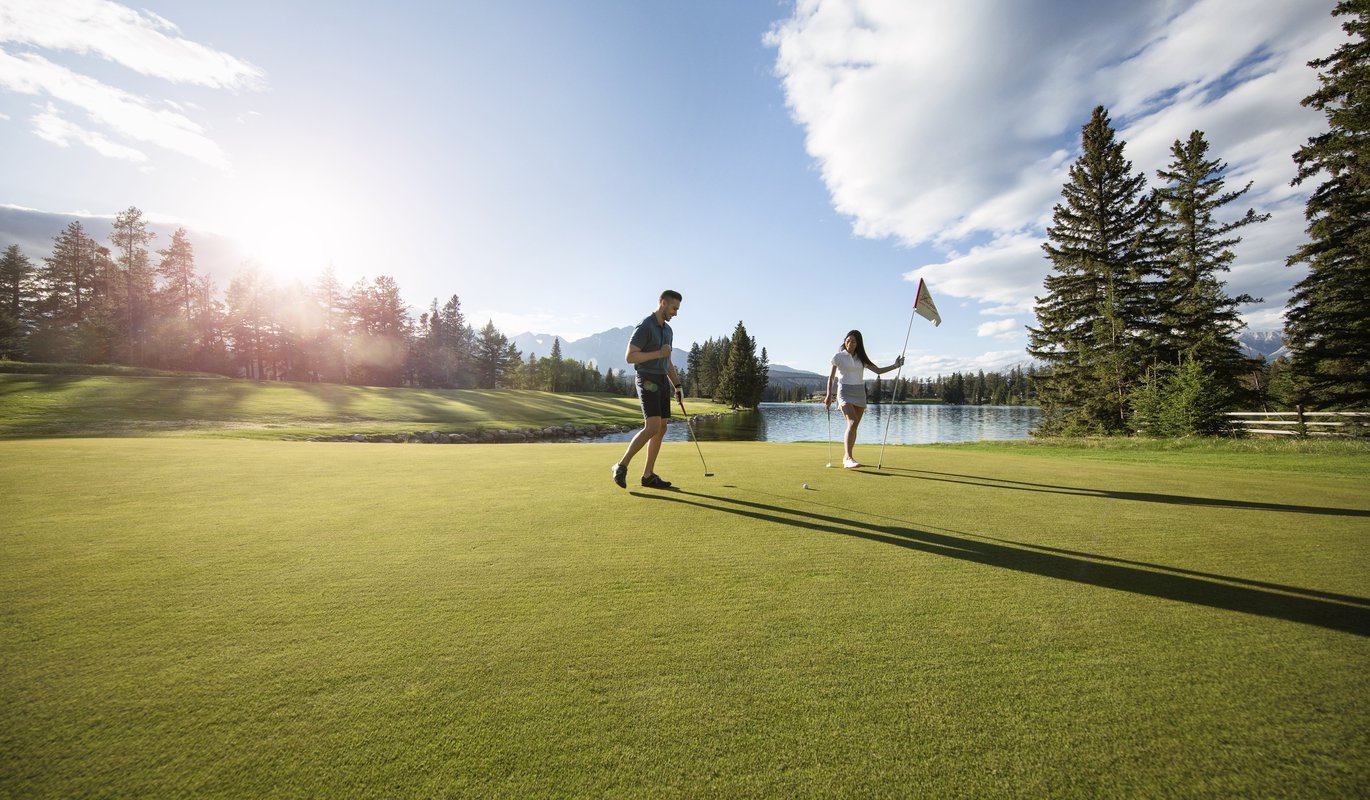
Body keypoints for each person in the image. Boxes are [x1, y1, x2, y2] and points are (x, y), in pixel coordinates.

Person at [612, 290, 683, 489]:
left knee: (661, 428)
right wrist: (658, 353)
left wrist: (677, 385)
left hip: (661, 379)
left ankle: (648, 475)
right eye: (674, 308)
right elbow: (630, 357)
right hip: (647, 378)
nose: (676, 313)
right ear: (662, 302)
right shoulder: (645, 326)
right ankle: (621, 465)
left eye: (677, 309)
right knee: (652, 426)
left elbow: (667, 361)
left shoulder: (668, 331)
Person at [824, 329, 903, 469]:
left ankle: (846, 456)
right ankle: (849, 458)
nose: (850, 343)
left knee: (853, 426)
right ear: (845, 341)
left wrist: (895, 365)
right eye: (848, 340)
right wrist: (829, 394)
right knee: (852, 423)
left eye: (853, 341)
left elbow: (878, 371)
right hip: (844, 392)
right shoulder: (838, 356)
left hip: (859, 393)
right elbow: (831, 378)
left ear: (858, 343)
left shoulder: (861, 358)